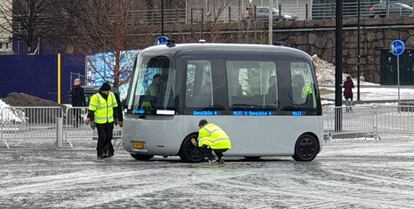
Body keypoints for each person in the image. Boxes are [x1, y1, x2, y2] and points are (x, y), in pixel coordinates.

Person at [86, 82, 120, 159]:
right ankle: (99, 152)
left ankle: (106, 149)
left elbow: (115, 107)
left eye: (108, 90)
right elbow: (91, 110)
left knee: (109, 136)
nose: (108, 92)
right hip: (99, 121)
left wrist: (115, 118)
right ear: (102, 90)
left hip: (109, 120)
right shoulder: (95, 97)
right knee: (102, 137)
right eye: (106, 91)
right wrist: (92, 120)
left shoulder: (111, 95)